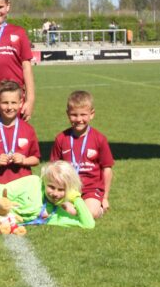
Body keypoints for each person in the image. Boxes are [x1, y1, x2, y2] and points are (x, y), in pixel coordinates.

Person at [49, 90, 115, 219]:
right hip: (67, 188)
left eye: (83, 115)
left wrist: (105, 197)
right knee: (64, 210)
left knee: (91, 213)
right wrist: (55, 191)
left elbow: (107, 169)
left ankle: (98, 209)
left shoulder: (99, 139)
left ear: (92, 114)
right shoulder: (61, 138)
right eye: (74, 115)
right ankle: (74, 209)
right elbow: (53, 167)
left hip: (91, 189)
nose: (79, 119)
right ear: (68, 114)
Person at [0, 80, 40, 184]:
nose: (9, 107)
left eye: (13, 103)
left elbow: (36, 159)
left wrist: (24, 160)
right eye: (5, 103)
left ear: (21, 103)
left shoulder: (28, 129)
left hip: (23, 184)